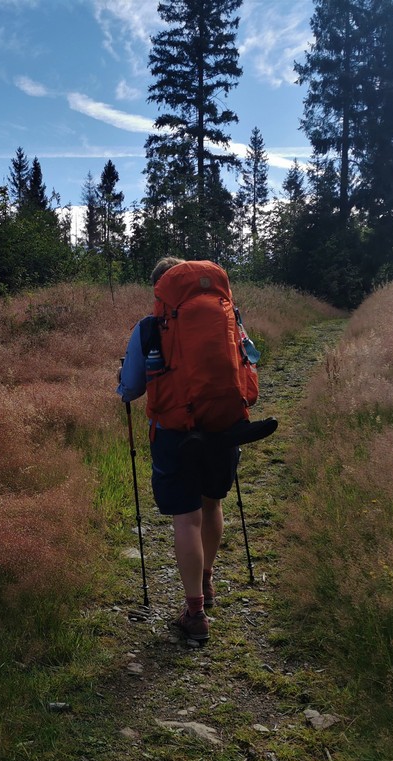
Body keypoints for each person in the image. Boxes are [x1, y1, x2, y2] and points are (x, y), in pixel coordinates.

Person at [117, 256, 255, 643]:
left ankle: (194, 612)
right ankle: (207, 582)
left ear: (160, 291)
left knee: (186, 518)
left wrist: (124, 382)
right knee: (212, 504)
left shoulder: (149, 327)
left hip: (175, 433)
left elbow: (131, 388)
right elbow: (248, 363)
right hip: (224, 427)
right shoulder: (231, 316)